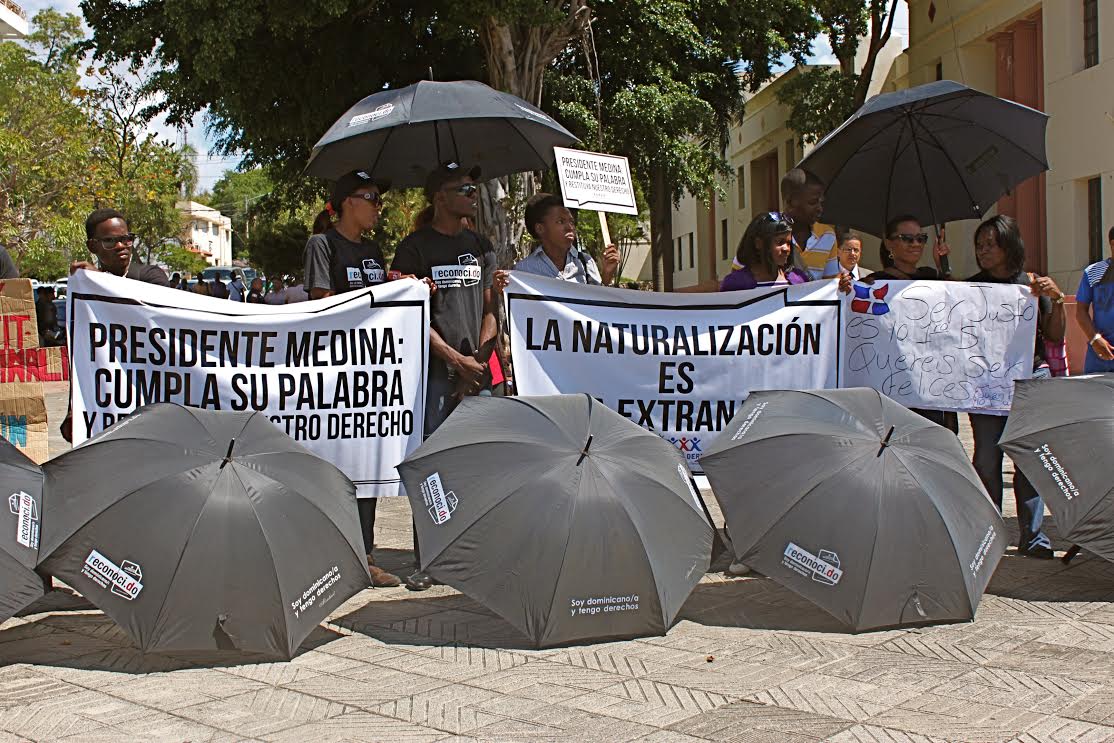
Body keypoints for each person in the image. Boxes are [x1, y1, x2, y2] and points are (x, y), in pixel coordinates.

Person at [391, 162, 498, 592]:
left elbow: (492, 307)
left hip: (479, 371)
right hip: (433, 374)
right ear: (439, 198)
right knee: (432, 465)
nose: (473, 194)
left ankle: (479, 552)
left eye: (474, 187)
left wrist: (479, 362)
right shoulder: (414, 248)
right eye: (463, 188)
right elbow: (408, 317)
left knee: (485, 462)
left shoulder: (480, 245)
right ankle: (429, 557)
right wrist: (454, 361)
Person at [302, 170, 402, 588]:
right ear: (347, 202)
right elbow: (321, 304)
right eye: (371, 197)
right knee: (332, 468)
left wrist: (398, 287)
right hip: (332, 373)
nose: (378, 206)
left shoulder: (374, 250)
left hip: (371, 374)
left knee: (368, 466)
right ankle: (326, 555)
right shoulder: (321, 246)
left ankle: (365, 555)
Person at [966, 215, 1064, 559]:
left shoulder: (1032, 286)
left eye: (990, 244)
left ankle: (1033, 536)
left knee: (1030, 461)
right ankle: (991, 535)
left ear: (1009, 246)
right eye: (979, 246)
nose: (983, 252)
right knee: (987, 460)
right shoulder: (969, 288)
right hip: (987, 387)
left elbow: (1054, 335)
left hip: (1029, 383)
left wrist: (1057, 300)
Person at [61, 209, 174, 443]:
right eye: (110, 241)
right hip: (110, 404)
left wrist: (100, 282)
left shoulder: (150, 276)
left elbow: (149, 315)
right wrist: (74, 407)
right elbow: (83, 352)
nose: (122, 245)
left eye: (126, 238)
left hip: (154, 398)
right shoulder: (85, 291)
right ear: (93, 246)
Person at [510, 193, 620, 284]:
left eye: (571, 222)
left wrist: (607, 275)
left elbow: (599, 304)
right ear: (540, 228)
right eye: (560, 221)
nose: (570, 227)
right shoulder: (524, 271)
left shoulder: (586, 263)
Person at [720, 212, 810, 291]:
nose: (786, 249)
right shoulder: (735, 284)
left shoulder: (799, 280)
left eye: (789, 243)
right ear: (758, 243)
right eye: (780, 242)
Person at [781, 168, 834, 280]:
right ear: (790, 202)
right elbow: (740, 285)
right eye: (813, 202)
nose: (820, 208)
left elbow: (831, 284)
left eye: (821, 202)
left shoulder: (827, 234)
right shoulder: (765, 233)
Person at [1075, 225, 1114, 372]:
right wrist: (1095, 339)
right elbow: (1081, 312)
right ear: (1112, 244)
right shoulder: (1093, 272)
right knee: (1096, 394)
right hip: (1100, 356)